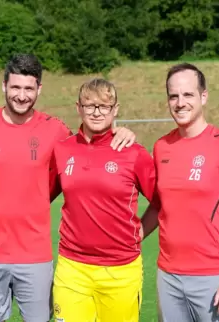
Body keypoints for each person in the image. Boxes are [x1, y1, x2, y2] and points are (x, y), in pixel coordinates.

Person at [0, 54, 137, 322]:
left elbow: (91, 141)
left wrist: (121, 132)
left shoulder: (56, 131)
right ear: (4, 85)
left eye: (29, 88)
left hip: (35, 256)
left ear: (39, 89)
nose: (21, 95)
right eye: (15, 87)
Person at [140, 63, 219, 322]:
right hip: (168, 277)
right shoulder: (161, 146)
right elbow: (159, 205)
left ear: (203, 96)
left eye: (188, 94)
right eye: (173, 96)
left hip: (213, 278)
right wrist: (134, 236)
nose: (180, 103)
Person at [50, 78, 158, 322]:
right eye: (90, 106)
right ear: (78, 108)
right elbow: (40, 195)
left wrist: (140, 231)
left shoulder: (134, 152)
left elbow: (162, 202)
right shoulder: (63, 149)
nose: (96, 112)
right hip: (72, 268)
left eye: (104, 106)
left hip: (120, 269)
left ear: (115, 110)